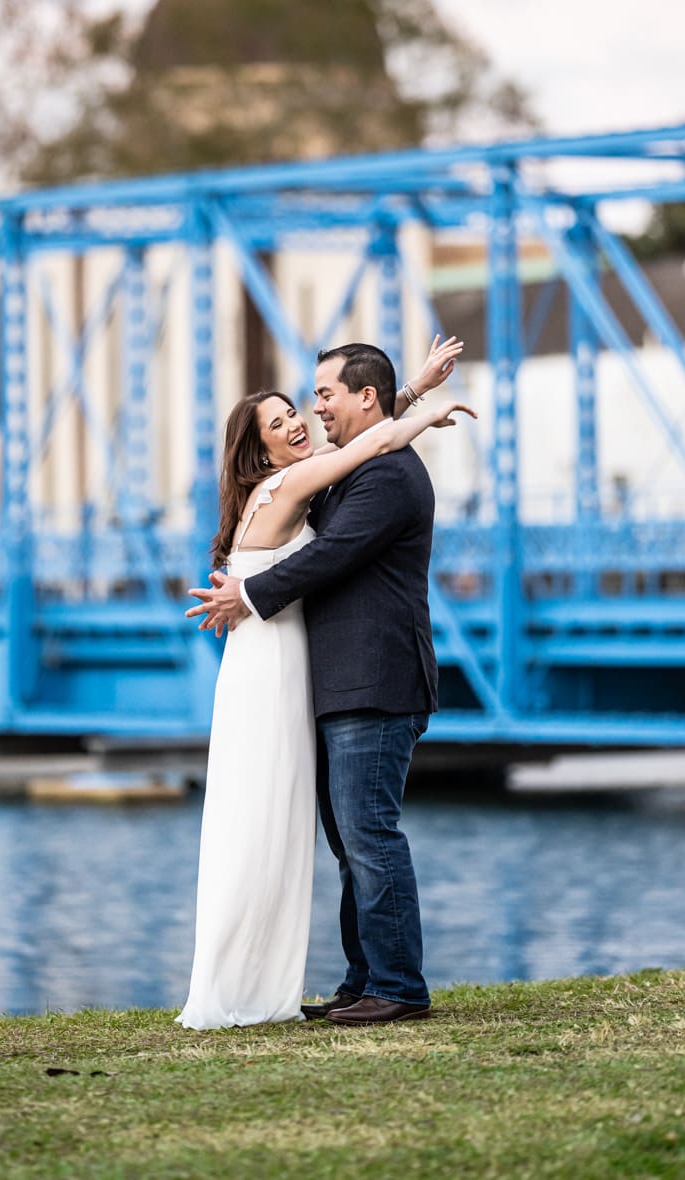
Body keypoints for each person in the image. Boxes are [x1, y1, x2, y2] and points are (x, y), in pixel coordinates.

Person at [182, 340, 473, 1029]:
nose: (314, 408)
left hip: (375, 680)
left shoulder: (388, 477)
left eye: (324, 395)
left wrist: (248, 597)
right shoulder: (349, 469)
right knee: (350, 842)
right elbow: (358, 446)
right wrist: (417, 395)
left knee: (369, 835)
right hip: (338, 681)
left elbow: (336, 553)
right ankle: (364, 978)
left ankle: (399, 986)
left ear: (362, 397)